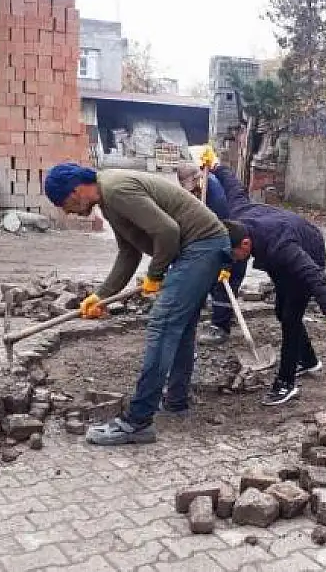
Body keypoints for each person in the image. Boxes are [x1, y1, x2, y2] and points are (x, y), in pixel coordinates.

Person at [43, 162, 231, 445]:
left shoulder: (116, 190)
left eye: (65, 203)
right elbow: (128, 252)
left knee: (162, 324)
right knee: (178, 328)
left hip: (202, 246)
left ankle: (137, 422)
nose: (68, 211)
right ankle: (176, 402)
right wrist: (101, 295)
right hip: (201, 248)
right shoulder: (109, 201)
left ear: (76, 190)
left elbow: (167, 232)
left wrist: (155, 275)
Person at [223, 214, 326, 406]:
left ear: (245, 244)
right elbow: (234, 190)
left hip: (309, 252)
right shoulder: (241, 219)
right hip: (285, 253)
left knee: (290, 318)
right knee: (281, 311)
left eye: (232, 254)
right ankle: (309, 361)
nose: (232, 258)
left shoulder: (281, 248)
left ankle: (285, 384)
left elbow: (312, 273)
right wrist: (224, 266)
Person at [196, 149, 255, 345]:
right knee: (219, 285)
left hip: (237, 245)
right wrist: (216, 166)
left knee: (225, 286)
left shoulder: (222, 199)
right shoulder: (210, 188)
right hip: (228, 241)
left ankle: (221, 328)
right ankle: (222, 319)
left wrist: (227, 265)